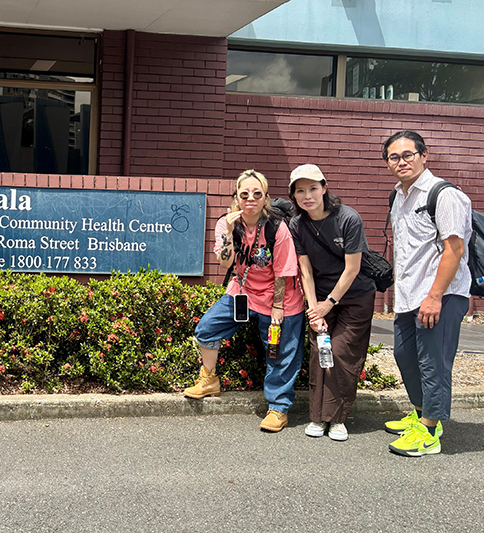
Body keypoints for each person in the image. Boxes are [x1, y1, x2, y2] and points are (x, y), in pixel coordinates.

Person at [183, 169, 305, 432]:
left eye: (257, 194)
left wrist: (278, 306)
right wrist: (228, 229)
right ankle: (209, 379)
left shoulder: (277, 228)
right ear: (236, 197)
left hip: (280, 298)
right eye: (245, 194)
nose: (251, 198)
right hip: (243, 293)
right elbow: (225, 261)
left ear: (266, 198)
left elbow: (283, 270)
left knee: (279, 353)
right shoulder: (227, 224)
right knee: (206, 329)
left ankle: (278, 408)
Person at [382, 131, 471, 457]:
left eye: (408, 154)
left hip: (441, 296)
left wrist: (434, 296)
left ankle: (430, 433)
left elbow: (454, 248)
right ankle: (421, 415)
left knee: (433, 363)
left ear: (424, 155)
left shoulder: (443, 195)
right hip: (410, 296)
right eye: (394, 157)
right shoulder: (399, 195)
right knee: (405, 356)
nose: (401, 161)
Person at [288, 164, 376, 442]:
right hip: (321, 299)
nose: (307, 195)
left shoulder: (348, 218)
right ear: (294, 196)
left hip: (354, 297)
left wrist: (329, 303)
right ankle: (318, 417)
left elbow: (352, 269)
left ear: (324, 188)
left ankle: (337, 419)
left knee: (341, 353)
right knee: (320, 353)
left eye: (313, 188)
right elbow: (305, 270)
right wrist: (314, 311)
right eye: (300, 190)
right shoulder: (297, 224)